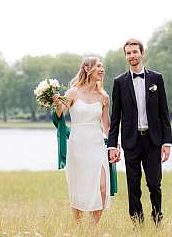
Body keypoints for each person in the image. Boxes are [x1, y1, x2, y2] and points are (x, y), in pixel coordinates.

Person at [108, 38, 172, 226]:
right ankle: (137, 224)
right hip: (131, 142)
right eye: (128, 53)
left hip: (153, 141)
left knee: (154, 184)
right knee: (133, 185)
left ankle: (157, 219)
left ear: (142, 53)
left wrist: (166, 143)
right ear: (126, 56)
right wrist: (112, 145)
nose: (132, 56)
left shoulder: (156, 79)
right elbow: (115, 117)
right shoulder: (119, 82)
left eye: (135, 52)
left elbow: (164, 113)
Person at [53, 56, 112, 224]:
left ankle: (93, 229)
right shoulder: (72, 92)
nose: (102, 70)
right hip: (77, 144)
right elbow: (59, 117)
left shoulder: (104, 97)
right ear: (87, 69)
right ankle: (77, 226)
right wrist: (57, 104)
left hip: (97, 144)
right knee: (78, 186)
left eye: (103, 66)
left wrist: (115, 144)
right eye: (98, 66)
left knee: (102, 186)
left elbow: (106, 126)